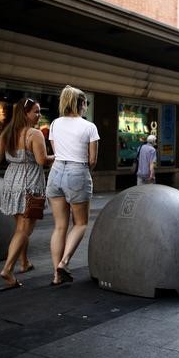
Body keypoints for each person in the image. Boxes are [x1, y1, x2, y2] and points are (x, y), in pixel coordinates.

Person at [0, 98, 53, 291]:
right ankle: (7, 270)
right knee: (24, 230)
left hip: (11, 183)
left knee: (20, 226)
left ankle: (24, 262)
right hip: (31, 184)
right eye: (36, 111)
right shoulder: (34, 134)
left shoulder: (7, 134)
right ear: (25, 114)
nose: (39, 115)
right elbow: (42, 160)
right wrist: (59, 156)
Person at [46, 86, 100, 286]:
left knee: (60, 226)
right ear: (81, 104)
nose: (86, 107)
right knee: (80, 223)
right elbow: (92, 159)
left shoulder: (54, 124)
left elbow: (56, 151)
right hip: (78, 171)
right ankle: (64, 261)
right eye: (86, 103)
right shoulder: (89, 127)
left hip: (56, 172)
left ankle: (55, 275)